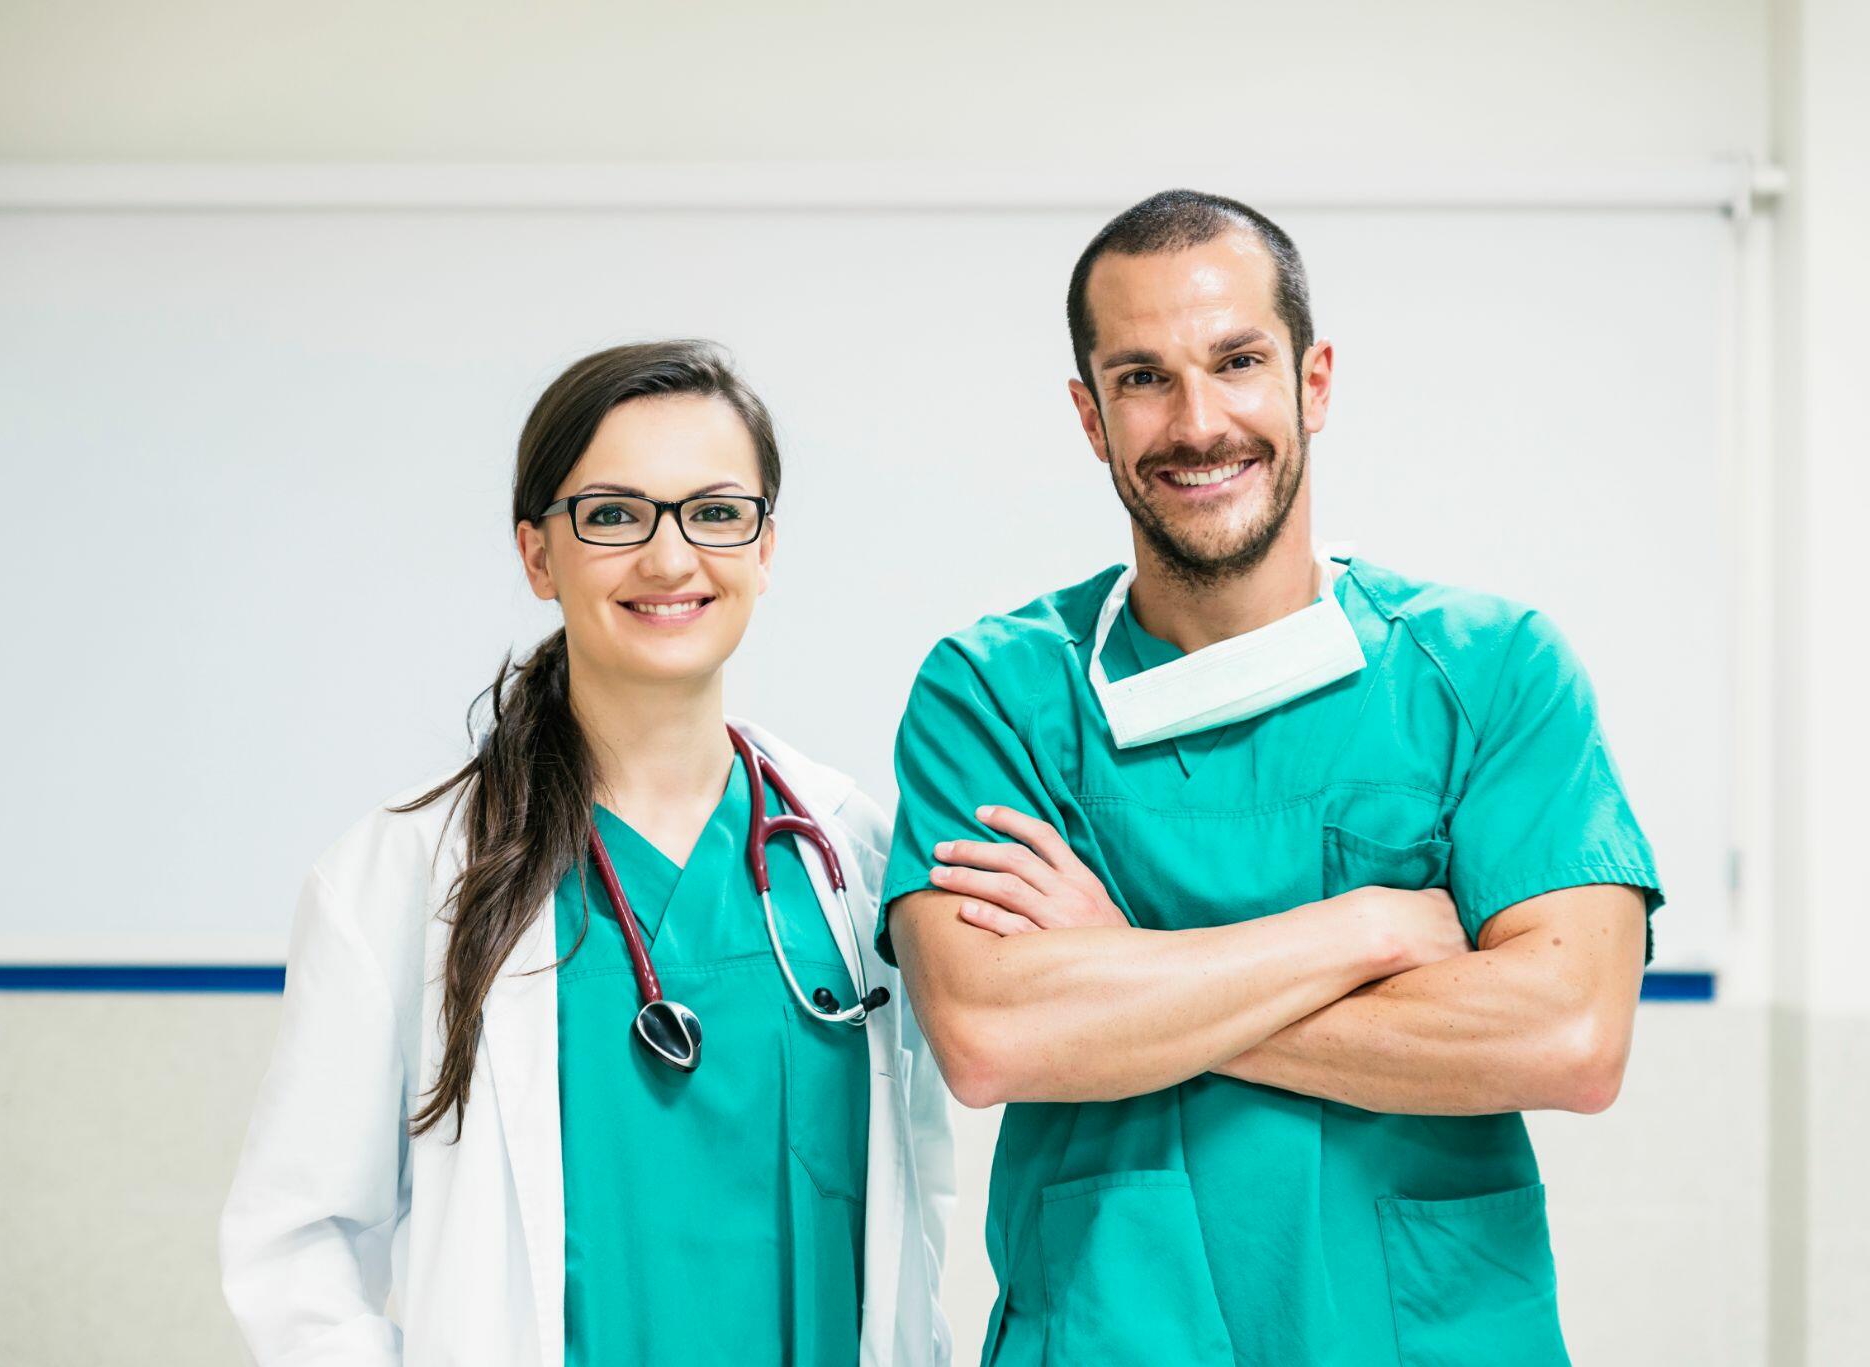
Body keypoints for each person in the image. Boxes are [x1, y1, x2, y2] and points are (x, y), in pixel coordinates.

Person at [880, 191, 1663, 1366]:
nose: (1198, 422)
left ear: (1313, 380)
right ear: (1090, 417)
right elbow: (992, 1031)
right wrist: (1360, 928)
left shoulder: (1487, 669)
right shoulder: (993, 694)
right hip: (1112, 1332)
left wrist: (1122, 966)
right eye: (1141, 377)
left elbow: (1567, 1032)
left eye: (1236, 360)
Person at [220, 340, 954, 1367]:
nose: (668, 557)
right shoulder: (399, 879)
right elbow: (296, 1251)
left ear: (763, 547)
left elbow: (909, 1213)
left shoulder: (853, 853)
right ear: (536, 553)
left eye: (714, 511)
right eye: (613, 514)